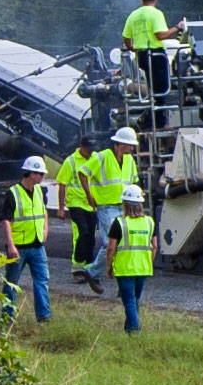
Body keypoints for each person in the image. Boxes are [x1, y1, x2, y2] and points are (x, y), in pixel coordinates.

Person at [1, 155, 53, 323]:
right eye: (40, 174)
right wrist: (11, 246)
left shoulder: (39, 190)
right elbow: (6, 220)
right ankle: (7, 316)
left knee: (42, 280)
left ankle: (43, 315)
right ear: (31, 174)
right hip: (19, 247)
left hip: (37, 245)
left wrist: (45, 228)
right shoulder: (13, 194)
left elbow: (43, 211)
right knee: (11, 283)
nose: (43, 177)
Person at [100, 183, 155, 332]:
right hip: (143, 268)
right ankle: (129, 329)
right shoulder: (149, 222)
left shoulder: (119, 223)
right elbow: (154, 246)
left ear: (124, 204)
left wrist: (109, 266)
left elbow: (111, 247)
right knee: (135, 300)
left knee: (129, 301)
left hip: (125, 269)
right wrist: (149, 262)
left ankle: (135, 329)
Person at [86, 128, 138, 283]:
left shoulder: (129, 160)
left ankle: (117, 274)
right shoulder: (102, 157)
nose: (132, 148)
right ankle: (92, 272)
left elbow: (132, 182)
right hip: (106, 206)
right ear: (120, 144)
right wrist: (90, 196)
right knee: (111, 242)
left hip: (123, 207)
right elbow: (83, 172)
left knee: (122, 242)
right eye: (130, 145)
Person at [55, 139, 100, 286]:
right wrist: (61, 208)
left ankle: (88, 267)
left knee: (91, 237)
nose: (91, 152)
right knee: (83, 232)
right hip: (75, 203)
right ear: (81, 147)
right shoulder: (71, 161)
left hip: (90, 204)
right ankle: (78, 268)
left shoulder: (94, 158)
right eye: (89, 149)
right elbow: (62, 184)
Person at [121, 0, 177, 92]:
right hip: (156, 55)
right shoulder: (156, 13)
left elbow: (126, 37)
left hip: (141, 56)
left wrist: (132, 48)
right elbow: (160, 35)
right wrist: (177, 28)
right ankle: (160, 107)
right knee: (162, 88)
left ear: (142, 0)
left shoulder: (133, 15)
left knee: (151, 83)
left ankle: (152, 103)